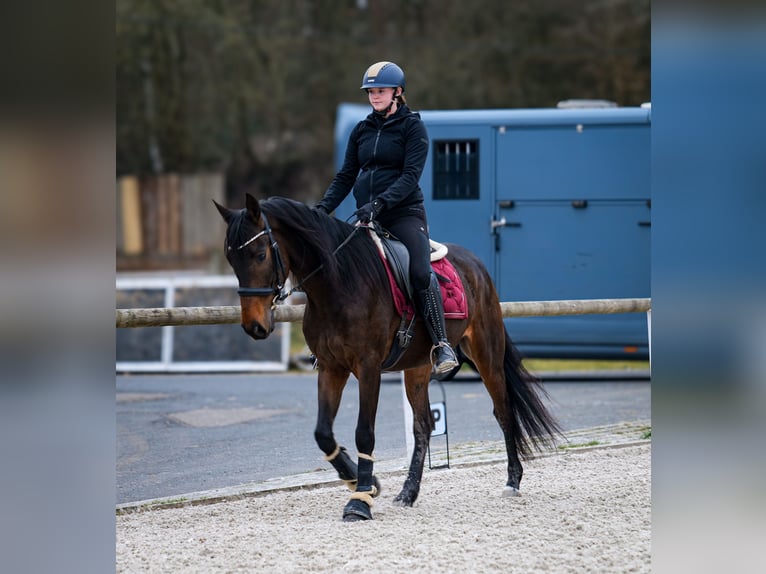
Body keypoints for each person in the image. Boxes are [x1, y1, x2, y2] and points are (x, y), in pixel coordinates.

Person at [314, 61, 459, 375]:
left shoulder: (413, 128)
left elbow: (410, 177)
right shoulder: (361, 130)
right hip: (367, 216)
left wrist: (379, 204)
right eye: (371, 91)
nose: (374, 96)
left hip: (404, 215)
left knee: (420, 272)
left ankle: (441, 343)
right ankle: (330, 342)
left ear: (398, 92)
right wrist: (322, 209)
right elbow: (346, 176)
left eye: (380, 91)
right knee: (337, 268)